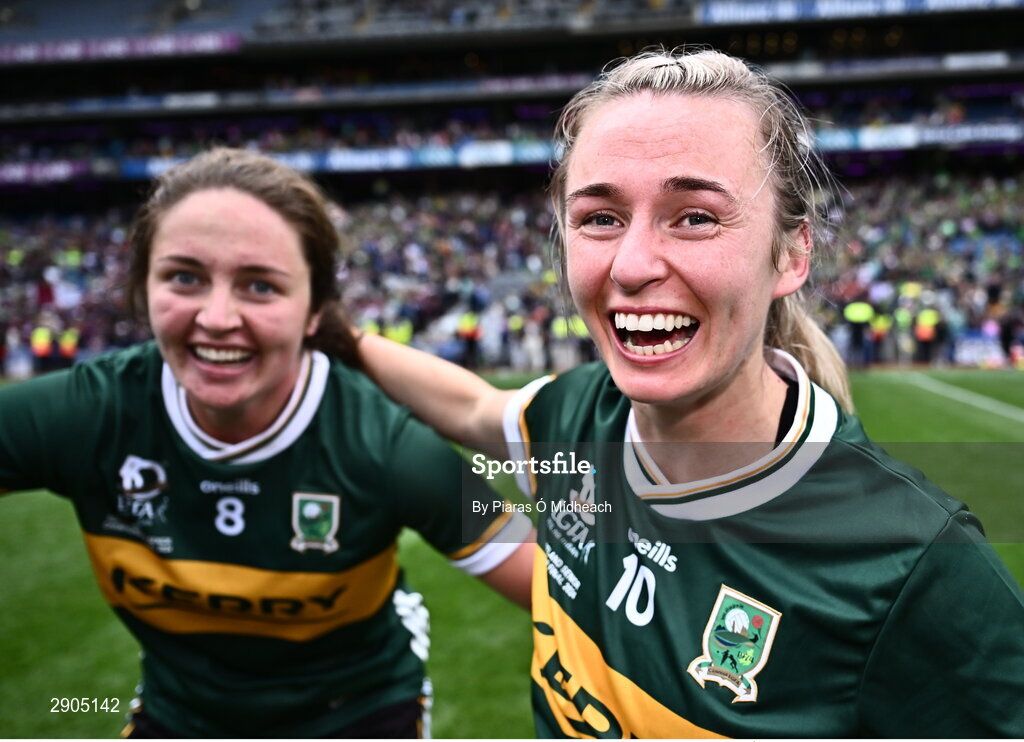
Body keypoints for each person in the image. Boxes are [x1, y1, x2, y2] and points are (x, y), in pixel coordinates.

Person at [358, 48, 1024, 737]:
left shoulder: (915, 565)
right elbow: (471, 409)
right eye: (599, 218)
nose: (634, 264)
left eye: (696, 217)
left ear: (793, 253)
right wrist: (340, 341)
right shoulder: (582, 409)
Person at [0, 148, 534, 738]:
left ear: (315, 311)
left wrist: (639, 485)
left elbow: (559, 587)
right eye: (184, 277)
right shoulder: (91, 412)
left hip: (357, 714)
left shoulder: (381, 445)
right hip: (179, 716)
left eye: (260, 285)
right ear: (141, 284)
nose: (218, 317)